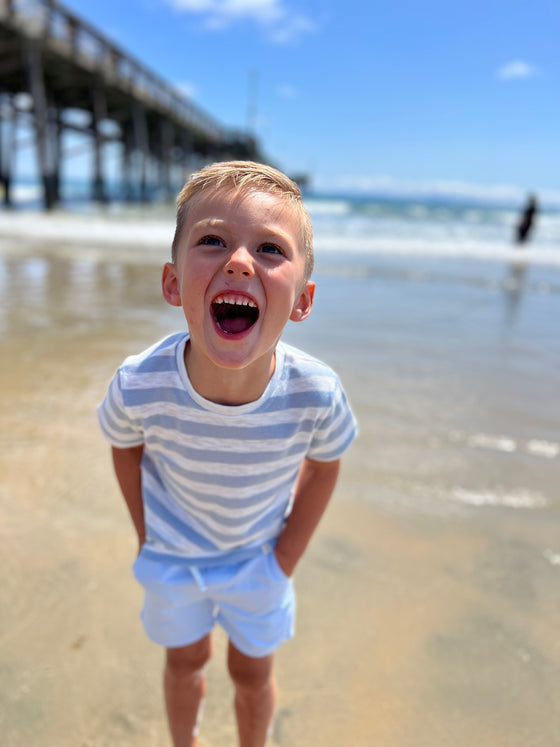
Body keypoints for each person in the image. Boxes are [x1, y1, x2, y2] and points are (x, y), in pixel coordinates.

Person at [97, 161, 357, 747]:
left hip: (259, 561)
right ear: (172, 283)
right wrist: (146, 536)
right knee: (185, 663)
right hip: (172, 558)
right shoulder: (140, 382)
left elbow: (325, 464)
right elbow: (124, 444)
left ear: (302, 300)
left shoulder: (314, 393)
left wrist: (283, 561)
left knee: (251, 672)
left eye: (270, 249)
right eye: (212, 241)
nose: (239, 260)